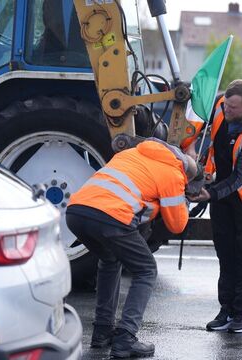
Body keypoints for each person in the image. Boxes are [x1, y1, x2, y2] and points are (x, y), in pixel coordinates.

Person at [66, 138, 197, 358]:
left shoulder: (130, 154)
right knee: (146, 270)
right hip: (111, 218)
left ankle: (102, 332)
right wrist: (184, 198)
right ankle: (126, 338)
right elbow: (177, 225)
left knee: (110, 259)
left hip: (76, 213)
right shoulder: (174, 174)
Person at [187, 79, 242, 333]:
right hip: (220, 194)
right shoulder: (219, 108)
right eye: (225, 106)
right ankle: (226, 310)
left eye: (233, 108)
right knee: (225, 254)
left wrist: (209, 195)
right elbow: (194, 123)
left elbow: (239, 179)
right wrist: (191, 147)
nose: (227, 112)